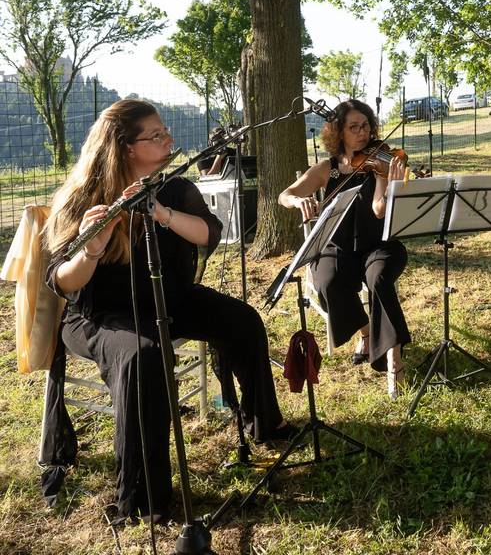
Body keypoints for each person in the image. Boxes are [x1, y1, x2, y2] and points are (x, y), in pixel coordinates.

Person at [44, 99, 292, 523]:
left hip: (168, 298)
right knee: (144, 355)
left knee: (242, 320)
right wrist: (90, 250)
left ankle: (263, 423)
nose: (169, 140)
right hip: (100, 317)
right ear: (125, 148)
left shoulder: (173, 187)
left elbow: (207, 232)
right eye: (156, 135)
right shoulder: (82, 198)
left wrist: (162, 213)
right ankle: (143, 498)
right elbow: (61, 281)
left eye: (165, 133)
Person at [278, 99, 411, 398]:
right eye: (354, 127)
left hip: (380, 245)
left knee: (379, 279)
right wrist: (299, 201)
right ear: (338, 132)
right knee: (326, 279)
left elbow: (379, 210)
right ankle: (365, 331)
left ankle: (394, 359)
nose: (362, 133)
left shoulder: (385, 161)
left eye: (365, 125)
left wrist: (386, 180)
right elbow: (284, 195)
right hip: (336, 247)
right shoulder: (327, 169)